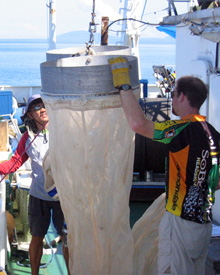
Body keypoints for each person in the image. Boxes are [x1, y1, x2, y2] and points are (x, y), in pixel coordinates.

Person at [109, 57, 220, 275]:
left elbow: (138, 124)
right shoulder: (214, 133)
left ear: (182, 96)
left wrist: (123, 84)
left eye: (173, 94)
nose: (171, 99)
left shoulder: (181, 129)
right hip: (203, 223)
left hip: (181, 223)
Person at [0, 94, 69, 275]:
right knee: (36, 237)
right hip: (39, 195)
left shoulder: (64, 131)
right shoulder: (27, 137)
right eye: (37, 107)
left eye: (45, 105)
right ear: (30, 114)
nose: (43, 109)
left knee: (69, 239)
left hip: (65, 196)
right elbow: (15, 162)